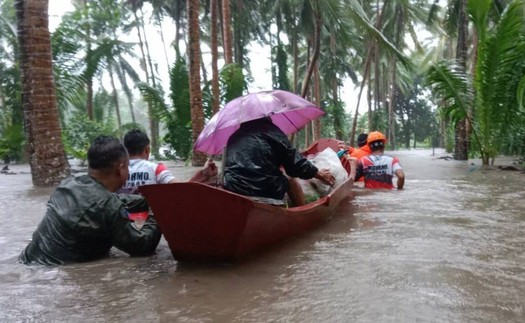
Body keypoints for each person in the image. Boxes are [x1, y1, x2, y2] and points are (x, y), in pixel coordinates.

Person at [19, 136, 162, 266]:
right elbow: (142, 246)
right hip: (52, 272)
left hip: (28, 262)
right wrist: (159, 212)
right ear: (121, 168)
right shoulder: (108, 206)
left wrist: (151, 199)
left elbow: (113, 200)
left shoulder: (68, 185)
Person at [223, 117, 335, 206]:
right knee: (290, 178)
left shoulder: (233, 137)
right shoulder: (271, 132)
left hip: (233, 191)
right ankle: (301, 213)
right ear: (265, 117)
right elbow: (295, 166)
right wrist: (318, 174)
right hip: (266, 193)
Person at [121, 129, 218, 193]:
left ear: (125, 150)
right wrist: (203, 174)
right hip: (151, 219)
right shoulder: (156, 169)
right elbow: (181, 189)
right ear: (147, 150)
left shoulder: (117, 172)